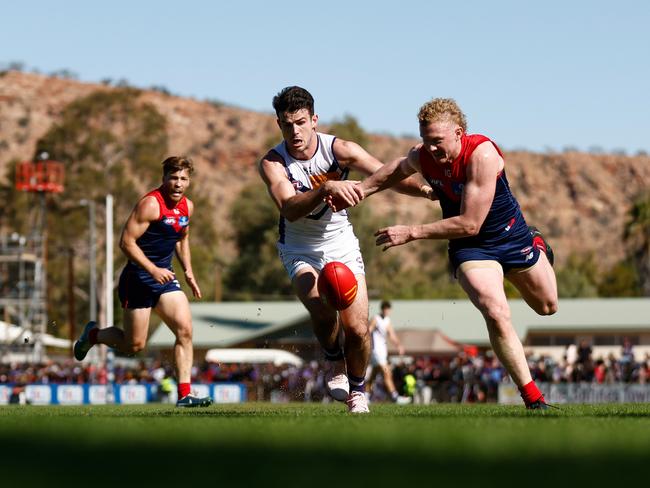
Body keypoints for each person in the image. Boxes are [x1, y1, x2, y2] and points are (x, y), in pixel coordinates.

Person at [342, 98, 558, 409]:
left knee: (547, 307)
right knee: (495, 311)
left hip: (510, 237)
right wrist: (360, 190)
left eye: (437, 142)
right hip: (471, 248)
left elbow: (470, 222)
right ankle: (533, 398)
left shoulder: (482, 155)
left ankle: (538, 245)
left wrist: (412, 231)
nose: (430, 148)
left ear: (459, 133)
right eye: (425, 140)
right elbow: (395, 170)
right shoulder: (423, 155)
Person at [259, 86, 431, 413]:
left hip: (340, 244)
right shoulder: (273, 163)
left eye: (300, 122)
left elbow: (386, 174)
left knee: (358, 328)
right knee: (320, 308)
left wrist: (426, 190)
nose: (294, 131)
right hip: (299, 248)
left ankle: (359, 391)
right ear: (279, 125)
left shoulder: (340, 149)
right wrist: (325, 188)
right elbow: (289, 208)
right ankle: (334, 360)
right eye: (286, 124)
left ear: (314, 120)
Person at [73, 156, 213, 408]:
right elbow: (126, 242)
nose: (178, 184)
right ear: (164, 179)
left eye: (183, 179)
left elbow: (182, 238)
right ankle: (93, 335)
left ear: (189, 181)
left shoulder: (187, 207)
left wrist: (189, 272)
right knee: (134, 344)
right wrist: (151, 268)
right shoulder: (150, 204)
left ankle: (184, 395)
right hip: (138, 278)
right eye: (173, 178)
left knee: (185, 330)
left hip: (166, 278)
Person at [366, 300, 410, 403]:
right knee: (387, 373)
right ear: (382, 309)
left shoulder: (387, 321)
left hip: (382, 351)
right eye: (385, 309)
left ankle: (366, 396)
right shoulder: (375, 319)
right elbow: (368, 331)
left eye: (388, 309)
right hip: (376, 351)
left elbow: (392, 335)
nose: (387, 311)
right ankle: (395, 397)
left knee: (373, 375)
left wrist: (399, 345)